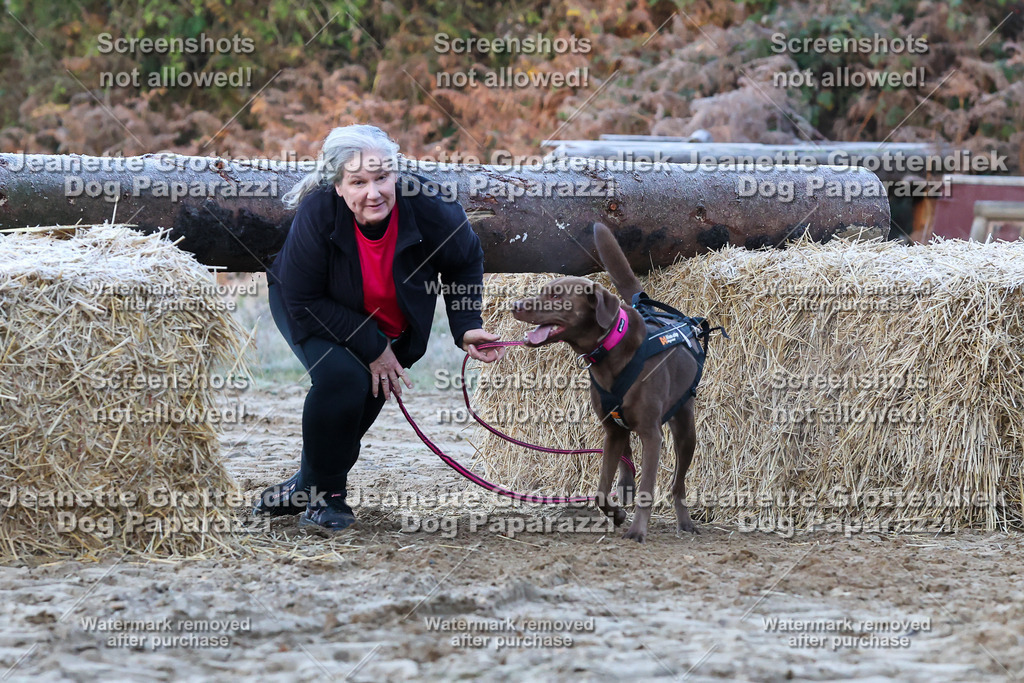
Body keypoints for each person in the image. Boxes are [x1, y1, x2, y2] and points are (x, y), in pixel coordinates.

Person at [253, 124, 504, 530]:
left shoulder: (431, 206)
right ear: (338, 186)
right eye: (358, 182)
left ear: (396, 174)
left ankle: (306, 486)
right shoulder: (319, 211)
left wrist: (466, 326)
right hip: (313, 308)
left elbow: (464, 260)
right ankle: (327, 501)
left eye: (382, 177)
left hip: (394, 323)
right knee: (342, 380)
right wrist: (372, 347)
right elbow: (303, 299)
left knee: (351, 413)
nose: (374, 192)